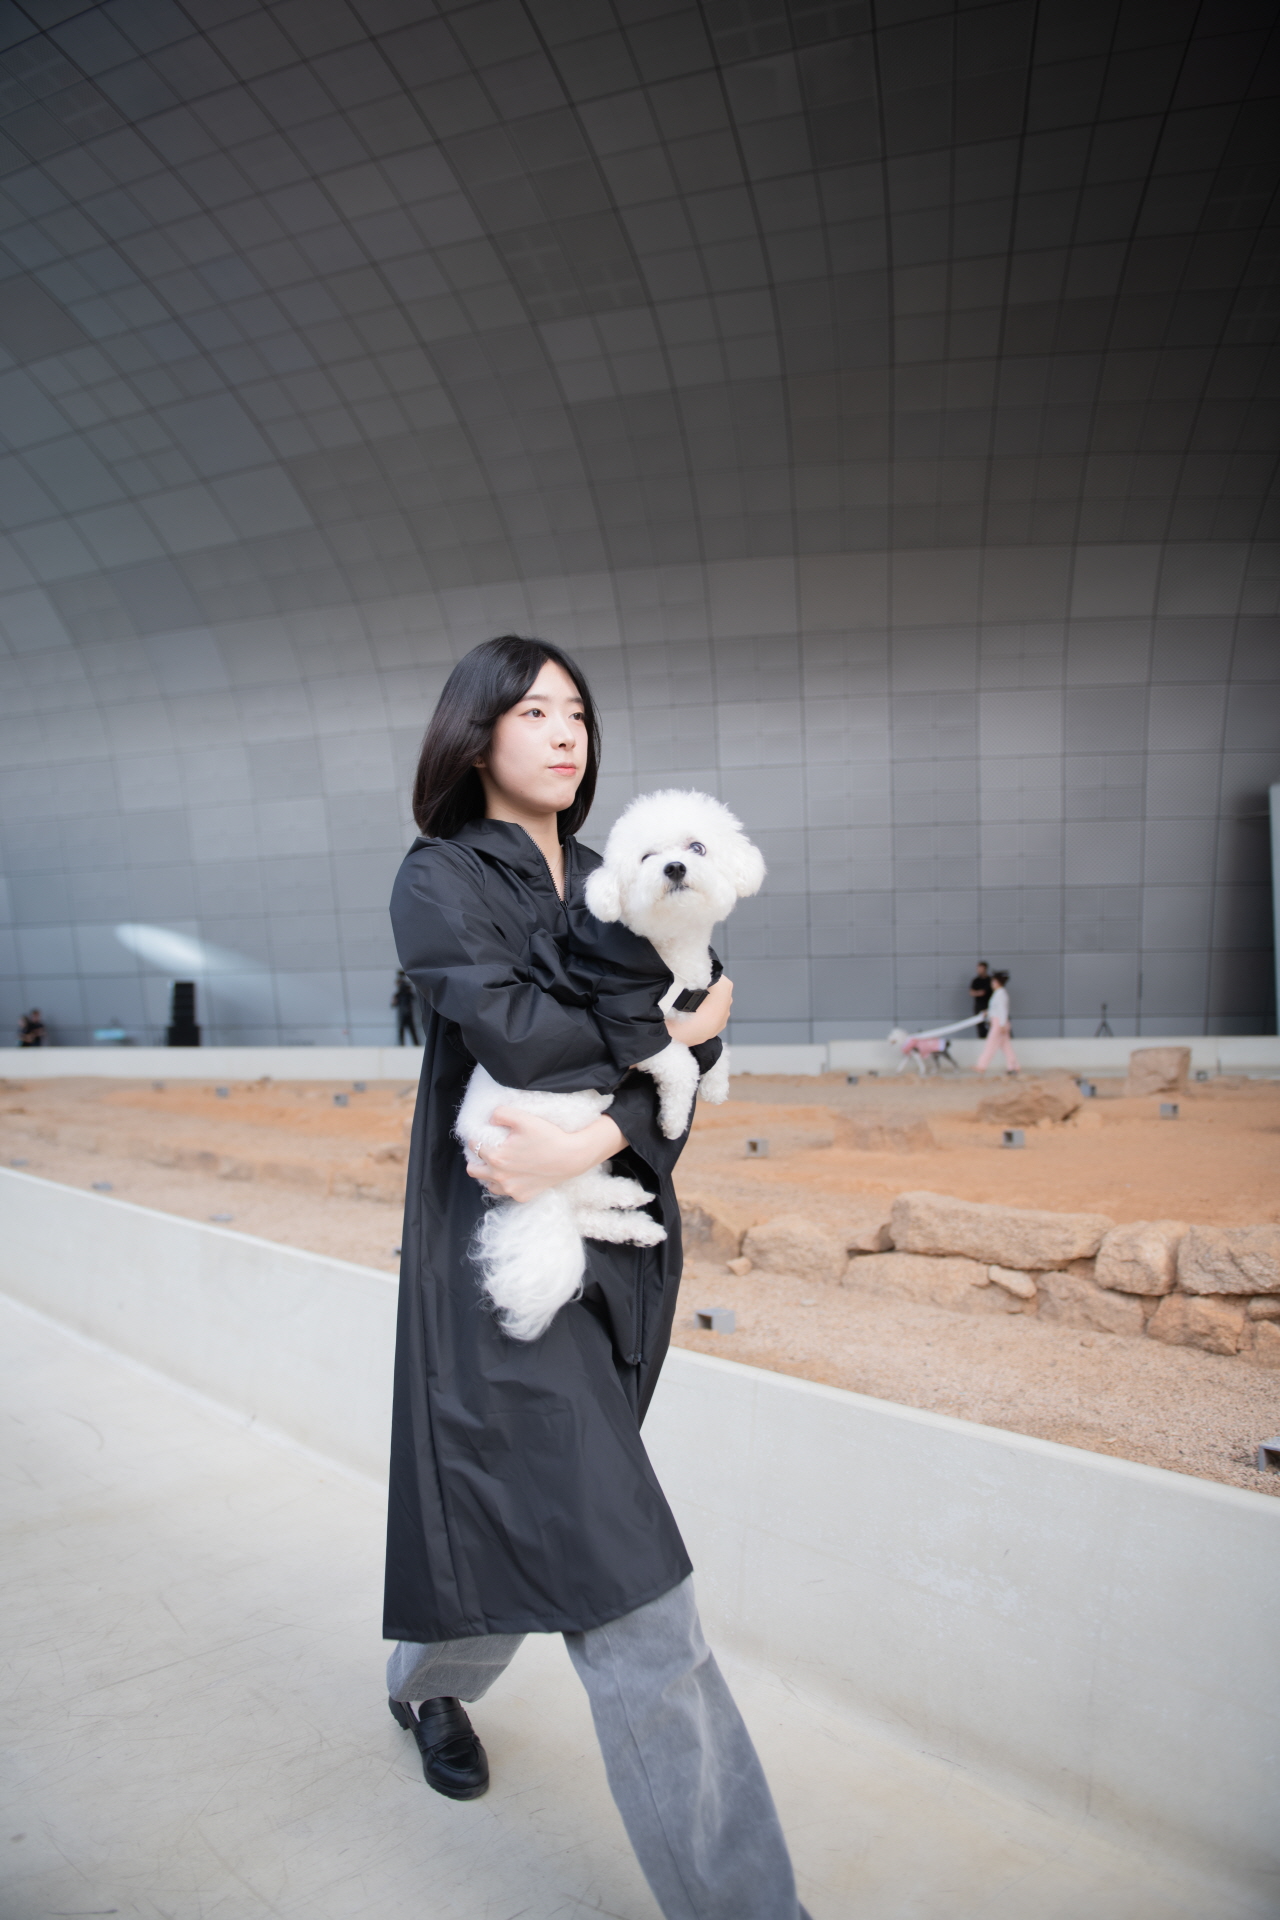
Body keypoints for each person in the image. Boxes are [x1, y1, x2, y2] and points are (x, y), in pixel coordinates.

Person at [384, 635, 811, 1920]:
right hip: (498, 1259)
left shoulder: (622, 868)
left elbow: (686, 1068)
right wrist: (672, 1034)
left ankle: (423, 1684)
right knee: (630, 1588)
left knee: (536, 1516)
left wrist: (606, 1123)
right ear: (475, 736)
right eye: (531, 712)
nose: (563, 731)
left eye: (574, 711)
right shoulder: (438, 877)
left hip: (618, 1244)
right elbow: (519, 1034)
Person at [975, 969, 1019, 1074]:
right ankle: (1013, 1066)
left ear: (997, 982)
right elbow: (996, 1009)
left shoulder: (1001, 994)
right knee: (1006, 1047)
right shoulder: (999, 993)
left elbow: (1003, 1010)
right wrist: (988, 1012)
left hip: (999, 1024)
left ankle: (981, 1066)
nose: (992, 983)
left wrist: (1002, 1024)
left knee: (990, 1044)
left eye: (993, 981)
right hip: (999, 1022)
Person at [391, 969, 419, 1046]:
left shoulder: (407, 993)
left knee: (412, 1030)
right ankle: (401, 1045)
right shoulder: (398, 995)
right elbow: (393, 1004)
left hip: (408, 1013)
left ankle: (416, 1045)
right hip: (402, 1014)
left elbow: (413, 998)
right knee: (401, 1030)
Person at [969, 961, 992, 1039]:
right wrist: (979, 993)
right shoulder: (976, 980)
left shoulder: (990, 980)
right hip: (979, 1005)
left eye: (980, 969)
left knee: (991, 1024)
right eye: (978, 969)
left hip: (988, 1005)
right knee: (980, 1025)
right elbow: (971, 992)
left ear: (985, 969)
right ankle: (982, 1039)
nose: (979, 970)